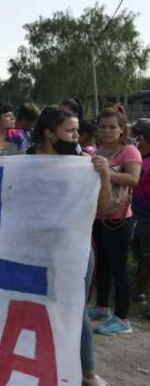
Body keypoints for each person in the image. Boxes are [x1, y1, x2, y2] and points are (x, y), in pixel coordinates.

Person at [21, 107, 111, 386]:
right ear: (50, 133)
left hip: (75, 248)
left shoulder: (83, 162)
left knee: (76, 308)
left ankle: (86, 372)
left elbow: (102, 206)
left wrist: (105, 175)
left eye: (77, 130)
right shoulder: (25, 161)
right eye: (70, 131)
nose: (77, 136)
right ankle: (32, 362)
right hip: (36, 249)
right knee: (34, 306)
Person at [86, 108, 141, 335]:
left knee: (119, 268)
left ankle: (122, 318)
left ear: (122, 130)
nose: (107, 131)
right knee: (103, 267)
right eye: (102, 127)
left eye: (112, 127)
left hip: (119, 220)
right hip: (98, 216)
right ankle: (101, 307)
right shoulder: (94, 152)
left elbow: (133, 179)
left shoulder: (128, 151)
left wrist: (106, 172)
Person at [130, 118, 150, 318]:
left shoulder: (146, 163)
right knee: (141, 257)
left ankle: (139, 292)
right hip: (139, 217)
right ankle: (137, 291)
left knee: (146, 260)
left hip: (147, 219)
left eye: (135, 138)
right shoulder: (141, 160)